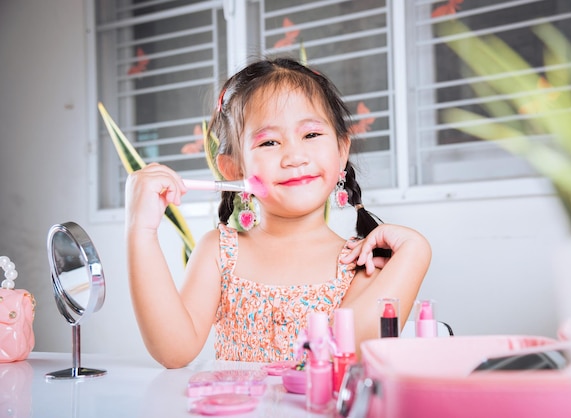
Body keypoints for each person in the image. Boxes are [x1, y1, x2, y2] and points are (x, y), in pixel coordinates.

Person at [125, 57, 431, 368]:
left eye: (311, 135)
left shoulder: (360, 261)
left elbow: (351, 351)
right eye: (270, 142)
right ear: (234, 169)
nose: (295, 156)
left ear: (341, 151)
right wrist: (142, 231)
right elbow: (173, 352)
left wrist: (415, 250)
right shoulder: (218, 253)